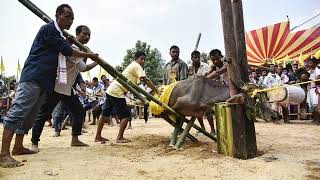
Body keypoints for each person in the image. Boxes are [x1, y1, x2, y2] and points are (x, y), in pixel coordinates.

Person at [0, 5, 99, 168]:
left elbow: (68, 54)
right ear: (57, 15)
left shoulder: (60, 36)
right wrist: (89, 55)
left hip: (46, 82)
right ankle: (4, 154)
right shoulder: (49, 29)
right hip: (33, 76)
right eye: (67, 17)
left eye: (72, 18)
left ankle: (18, 146)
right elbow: (67, 51)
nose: (70, 21)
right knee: (18, 112)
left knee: (30, 116)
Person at [29, 25, 99, 153]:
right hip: (56, 86)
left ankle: (75, 139)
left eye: (89, 35)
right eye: (85, 34)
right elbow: (83, 67)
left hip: (68, 88)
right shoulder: (72, 48)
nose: (87, 37)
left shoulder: (80, 49)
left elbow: (79, 67)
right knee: (44, 114)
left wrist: (92, 57)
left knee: (78, 111)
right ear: (78, 34)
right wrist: (95, 60)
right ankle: (34, 142)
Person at [94, 51, 160, 143]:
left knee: (104, 114)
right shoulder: (136, 66)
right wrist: (156, 90)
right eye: (141, 58)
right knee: (126, 116)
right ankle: (119, 137)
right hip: (116, 92)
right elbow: (146, 80)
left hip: (111, 90)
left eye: (144, 59)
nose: (143, 61)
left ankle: (98, 136)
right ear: (136, 58)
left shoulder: (133, 65)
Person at [188, 50, 215, 135]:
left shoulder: (206, 66)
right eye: (194, 58)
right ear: (191, 58)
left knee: (208, 111)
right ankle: (202, 128)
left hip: (205, 91)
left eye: (198, 57)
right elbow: (189, 80)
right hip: (195, 92)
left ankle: (213, 130)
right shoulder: (189, 67)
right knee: (196, 111)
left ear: (200, 58)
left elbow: (205, 78)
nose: (196, 59)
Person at [306, 57, 320, 124]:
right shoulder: (309, 71)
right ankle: (314, 119)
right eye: (308, 63)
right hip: (310, 89)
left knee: (315, 104)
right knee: (311, 105)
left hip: (316, 89)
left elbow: (318, 81)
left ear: (315, 64)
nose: (309, 64)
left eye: (310, 63)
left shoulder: (318, 71)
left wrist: (308, 80)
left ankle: (318, 120)